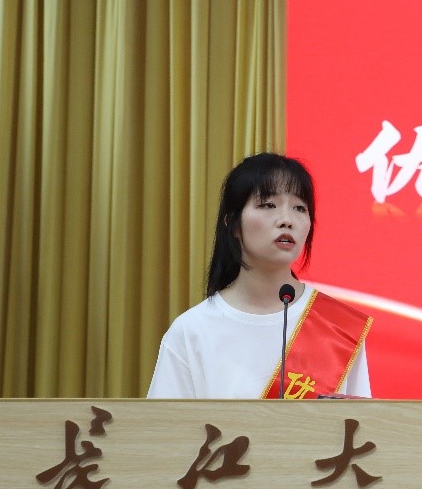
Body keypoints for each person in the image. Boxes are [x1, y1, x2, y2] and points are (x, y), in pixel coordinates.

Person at [147, 153, 372, 399]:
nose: (287, 220)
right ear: (233, 223)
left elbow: (359, 421)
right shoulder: (192, 330)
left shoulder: (337, 328)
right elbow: (167, 423)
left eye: (299, 208)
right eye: (268, 205)